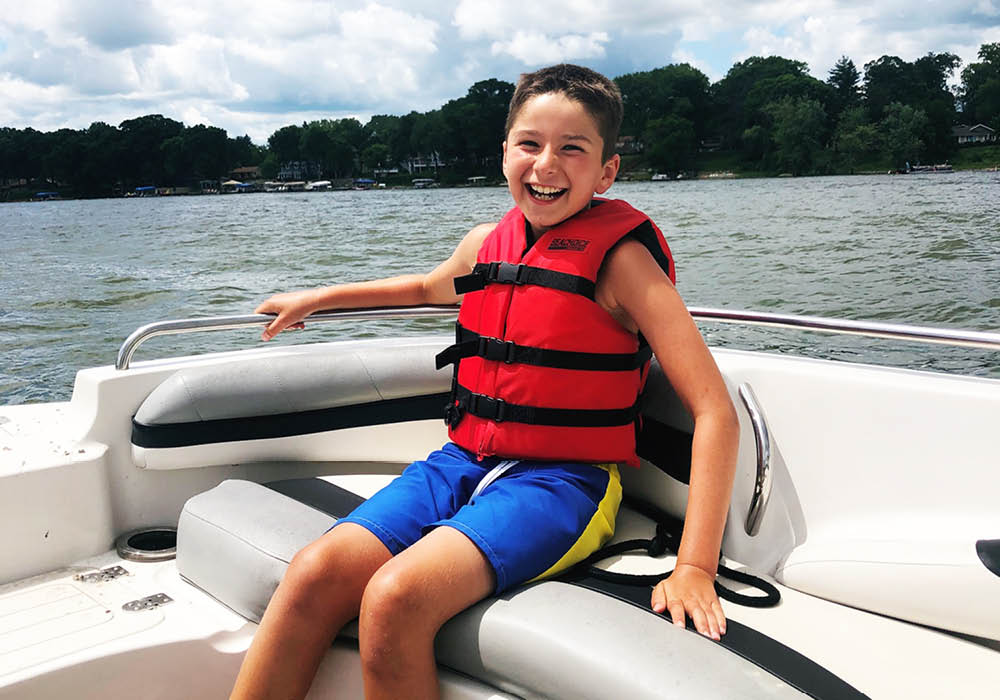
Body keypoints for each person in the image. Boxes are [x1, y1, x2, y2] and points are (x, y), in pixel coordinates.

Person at [231, 63, 739, 700]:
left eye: (572, 149)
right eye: (529, 144)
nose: (545, 164)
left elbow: (715, 411)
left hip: (565, 483)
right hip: (462, 461)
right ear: (504, 154)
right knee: (312, 573)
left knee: (394, 597)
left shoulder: (624, 262)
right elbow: (424, 288)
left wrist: (695, 566)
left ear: (606, 171)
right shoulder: (485, 243)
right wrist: (320, 297)